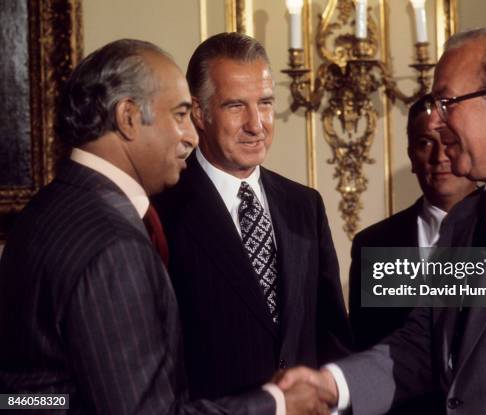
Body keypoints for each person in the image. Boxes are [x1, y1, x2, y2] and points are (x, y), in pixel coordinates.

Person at [276, 27, 486, 414]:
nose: (436, 121)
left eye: (447, 102)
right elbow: (423, 347)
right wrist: (332, 384)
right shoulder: (465, 221)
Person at [0, 39, 332, 415]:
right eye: (179, 115)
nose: (189, 136)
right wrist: (276, 404)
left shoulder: (45, 209)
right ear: (128, 118)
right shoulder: (116, 242)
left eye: (266, 103)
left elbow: (25, 394)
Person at [154, 32, 351, 404]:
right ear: (199, 113)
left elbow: (332, 335)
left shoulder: (305, 205)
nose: (256, 123)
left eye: (264, 103)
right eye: (235, 106)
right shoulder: (163, 210)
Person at [348, 95, 475, 351]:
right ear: (411, 156)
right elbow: (365, 348)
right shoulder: (373, 245)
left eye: (450, 140)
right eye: (426, 142)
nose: (440, 156)